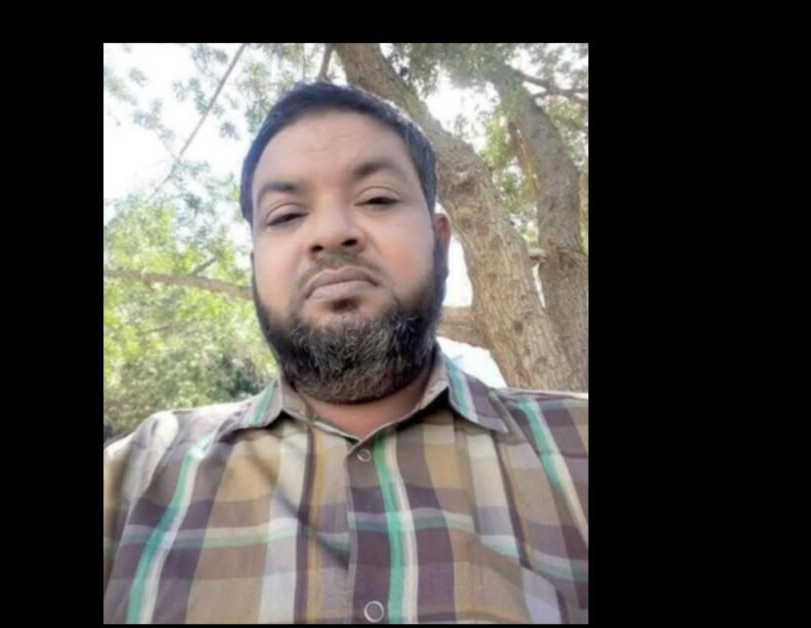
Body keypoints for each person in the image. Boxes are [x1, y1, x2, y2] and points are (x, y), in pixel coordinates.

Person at [104, 82, 588, 624]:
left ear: (440, 243)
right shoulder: (135, 475)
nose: (331, 233)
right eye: (286, 215)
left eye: (377, 199)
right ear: (256, 267)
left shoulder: (579, 445)